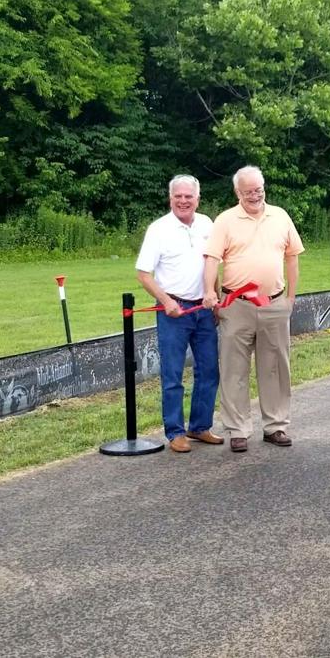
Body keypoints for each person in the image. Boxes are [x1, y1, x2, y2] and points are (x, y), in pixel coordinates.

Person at [202, 166, 304, 453]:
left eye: (258, 189)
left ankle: (276, 426)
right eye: (248, 192)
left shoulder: (280, 216)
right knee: (234, 369)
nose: (255, 195)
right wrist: (209, 291)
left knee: (275, 367)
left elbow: (292, 257)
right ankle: (238, 430)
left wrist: (290, 298)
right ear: (238, 192)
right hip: (236, 306)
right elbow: (212, 259)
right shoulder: (225, 220)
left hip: (274, 303)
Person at [136, 175, 222, 453]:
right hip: (173, 311)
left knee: (209, 370)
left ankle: (200, 426)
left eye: (188, 196)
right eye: (178, 196)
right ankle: (175, 432)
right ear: (170, 198)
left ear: (198, 198)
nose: (183, 201)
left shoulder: (207, 224)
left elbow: (213, 264)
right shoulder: (158, 229)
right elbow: (143, 274)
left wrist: (216, 298)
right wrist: (166, 300)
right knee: (172, 374)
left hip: (203, 309)